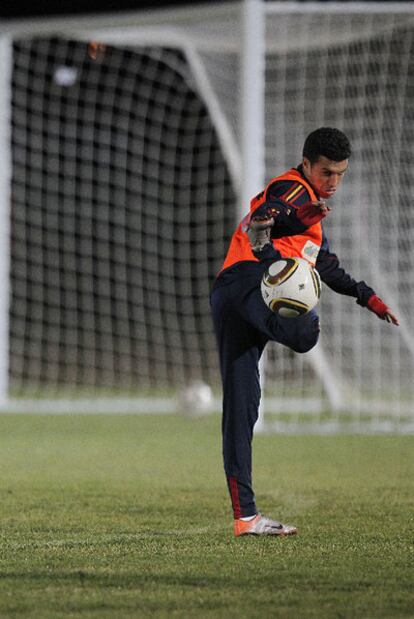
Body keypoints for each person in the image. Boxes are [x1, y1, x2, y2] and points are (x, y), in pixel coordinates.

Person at [210, 127, 399, 537]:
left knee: (242, 408)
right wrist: (274, 221)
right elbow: (277, 206)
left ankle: (246, 518)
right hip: (252, 280)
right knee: (305, 332)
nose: (333, 181)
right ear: (308, 164)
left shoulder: (311, 219)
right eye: (326, 172)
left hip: (230, 293)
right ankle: (283, 284)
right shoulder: (294, 189)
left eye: (340, 174)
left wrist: (367, 297)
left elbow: (326, 266)